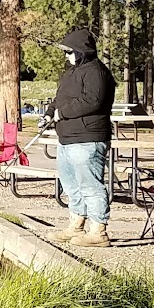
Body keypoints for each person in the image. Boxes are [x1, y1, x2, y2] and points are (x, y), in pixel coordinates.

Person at [50, 27, 114, 246]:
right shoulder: (71, 72)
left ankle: (98, 231)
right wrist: (50, 113)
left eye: (70, 52)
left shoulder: (97, 72)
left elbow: (92, 101)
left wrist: (63, 112)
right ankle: (76, 224)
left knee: (90, 185)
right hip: (66, 138)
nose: (67, 56)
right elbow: (60, 98)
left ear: (81, 51)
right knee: (70, 184)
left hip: (88, 137)